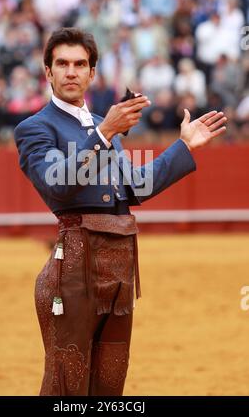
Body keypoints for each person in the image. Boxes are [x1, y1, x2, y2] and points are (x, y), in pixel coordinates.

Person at [14, 27, 227, 396]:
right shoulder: (36, 128)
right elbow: (58, 184)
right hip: (73, 273)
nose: (71, 72)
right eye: (61, 64)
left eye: (80, 64)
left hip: (119, 270)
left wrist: (184, 147)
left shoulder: (101, 125)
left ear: (92, 73)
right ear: (47, 72)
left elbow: (135, 187)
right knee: (67, 385)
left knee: (110, 386)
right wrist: (103, 134)